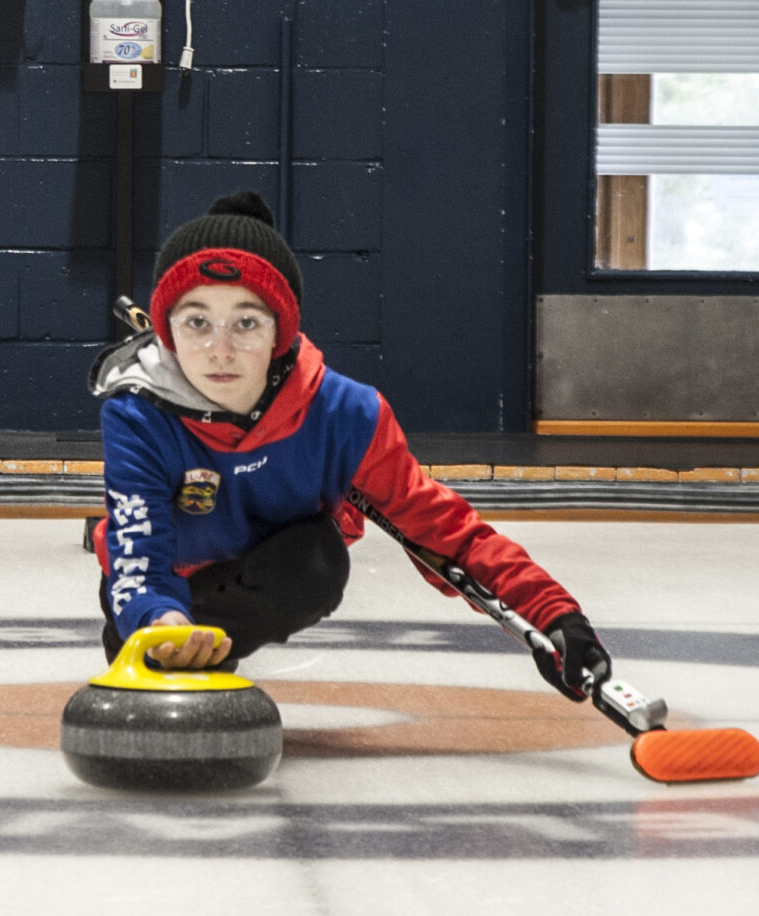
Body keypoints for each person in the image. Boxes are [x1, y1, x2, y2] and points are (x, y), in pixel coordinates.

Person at [87, 191, 610, 700]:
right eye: (197, 321)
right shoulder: (138, 411)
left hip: (262, 572)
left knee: (319, 560)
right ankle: (168, 647)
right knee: (150, 614)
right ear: (169, 332)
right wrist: (159, 620)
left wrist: (552, 612)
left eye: (246, 322)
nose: (220, 349)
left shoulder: (346, 414)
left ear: (280, 333)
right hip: (159, 588)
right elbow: (140, 551)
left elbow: (446, 530)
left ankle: (204, 650)